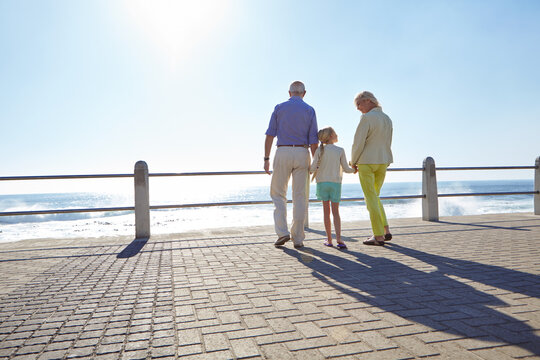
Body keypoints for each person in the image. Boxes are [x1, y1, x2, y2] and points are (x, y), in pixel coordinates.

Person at [264, 81, 318, 249]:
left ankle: (282, 232)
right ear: (304, 93)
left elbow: (270, 135)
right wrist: (315, 162)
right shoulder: (309, 110)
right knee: (300, 196)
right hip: (303, 152)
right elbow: (314, 141)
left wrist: (266, 159)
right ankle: (298, 238)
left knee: (278, 193)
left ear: (289, 93)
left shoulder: (279, 108)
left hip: (283, 151)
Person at [350, 91, 393, 246]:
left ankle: (378, 236)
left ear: (368, 101)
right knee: (375, 196)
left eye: (359, 104)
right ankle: (385, 229)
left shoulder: (367, 118)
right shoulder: (387, 119)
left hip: (367, 162)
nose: (358, 108)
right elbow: (388, 142)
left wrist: (353, 161)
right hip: (383, 162)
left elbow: (358, 143)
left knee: (370, 198)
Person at [310, 127, 355, 249]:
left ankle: (329, 240)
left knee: (326, 212)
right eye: (335, 133)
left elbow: (312, 168)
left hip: (322, 183)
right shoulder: (340, 150)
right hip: (335, 184)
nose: (337, 135)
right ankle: (339, 240)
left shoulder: (319, 150)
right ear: (330, 136)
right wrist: (355, 169)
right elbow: (346, 169)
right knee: (336, 213)